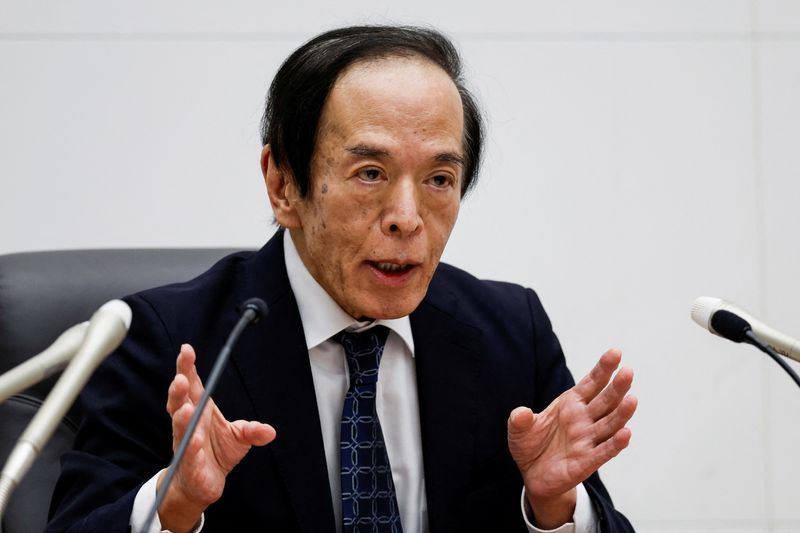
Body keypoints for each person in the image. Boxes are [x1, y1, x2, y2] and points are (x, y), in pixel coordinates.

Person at [46, 25, 637, 533]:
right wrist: (173, 507)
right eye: (371, 172)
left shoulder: (510, 333)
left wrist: (554, 505)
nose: (407, 218)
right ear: (283, 186)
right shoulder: (171, 344)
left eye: (439, 179)